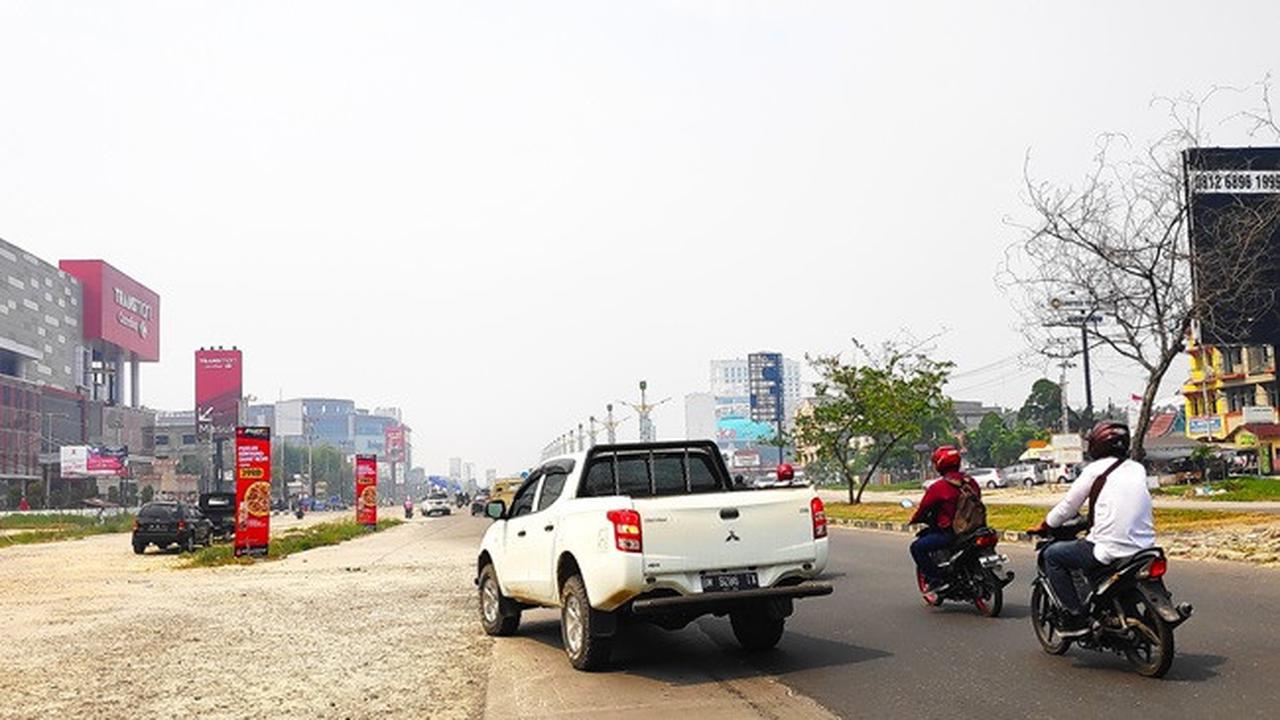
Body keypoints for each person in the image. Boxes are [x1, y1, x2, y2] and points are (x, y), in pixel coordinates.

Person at [1028, 420, 1154, 637]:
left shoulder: (1094, 470)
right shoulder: (1137, 468)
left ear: (1098, 444)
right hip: (1145, 548)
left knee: (1052, 556)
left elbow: (1068, 506)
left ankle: (1076, 616)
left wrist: (1046, 524)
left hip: (1110, 548)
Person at [909, 446, 981, 594]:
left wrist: (915, 519)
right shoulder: (971, 481)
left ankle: (936, 579)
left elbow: (924, 508)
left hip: (951, 533)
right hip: (976, 529)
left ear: (939, 464)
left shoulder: (938, 487)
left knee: (916, 547)